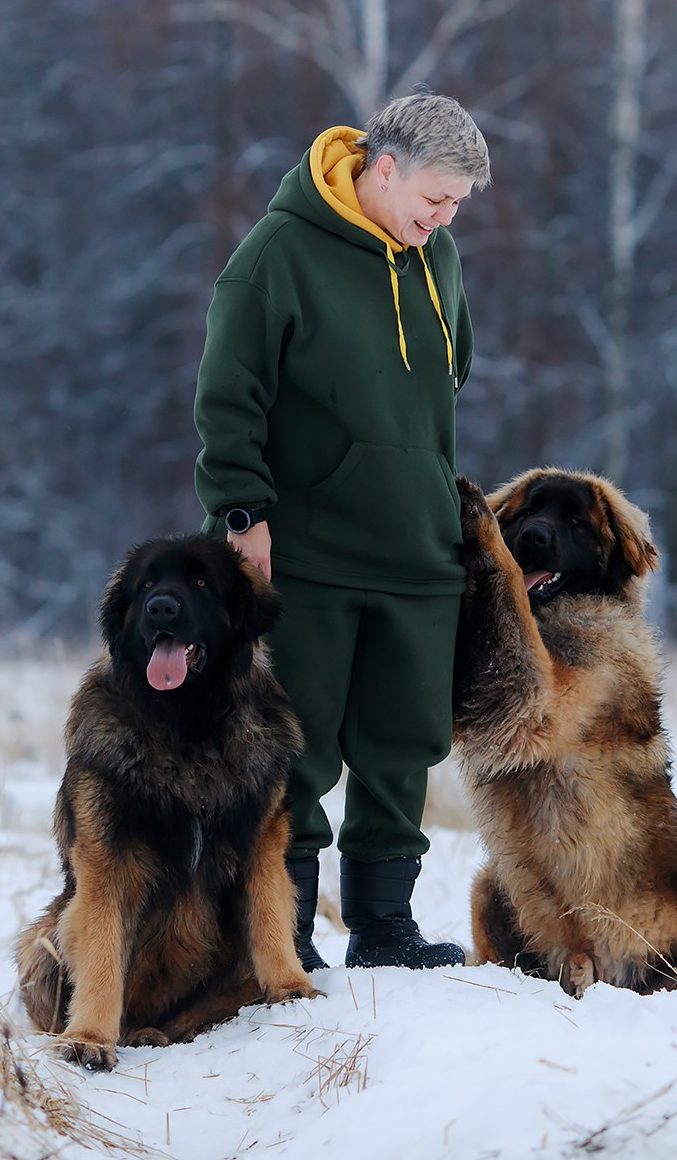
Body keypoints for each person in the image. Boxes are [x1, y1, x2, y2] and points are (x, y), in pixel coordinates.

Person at [192, 90, 489, 971]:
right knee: (295, 746)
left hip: (419, 549)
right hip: (304, 555)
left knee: (403, 745)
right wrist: (242, 513)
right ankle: (281, 933)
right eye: (435, 198)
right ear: (383, 169)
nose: (444, 219)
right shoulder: (277, 254)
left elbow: (448, 378)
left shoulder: (439, 259)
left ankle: (385, 927)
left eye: (458, 204)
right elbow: (228, 396)